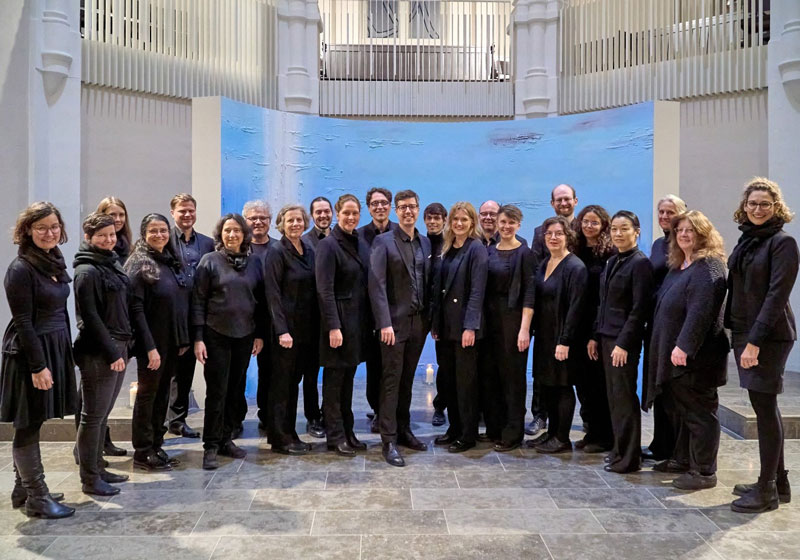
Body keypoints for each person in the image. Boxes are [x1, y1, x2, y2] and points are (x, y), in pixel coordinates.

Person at [1, 202, 76, 519]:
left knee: (36, 419)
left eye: (54, 226)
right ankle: (37, 496)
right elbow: (23, 322)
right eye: (42, 228)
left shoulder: (52, 261)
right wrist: (38, 366)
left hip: (53, 345)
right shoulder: (21, 269)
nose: (49, 233)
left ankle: (23, 488)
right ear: (27, 231)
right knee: (29, 423)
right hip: (30, 353)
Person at [727, 178, 798, 513]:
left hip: (768, 335)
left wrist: (755, 342)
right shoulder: (748, 240)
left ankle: (767, 489)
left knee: (765, 408)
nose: (757, 209)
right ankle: (778, 481)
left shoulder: (783, 243)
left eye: (765, 204)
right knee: (764, 406)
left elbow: (776, 296)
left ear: (776, 207)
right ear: (745, 206)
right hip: (745, 331)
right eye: (752, 203)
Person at [648, 210, 728, 489]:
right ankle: (683, 459)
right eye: (680, 230)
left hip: (696, 358)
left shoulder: (709, 266)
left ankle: (704, 471)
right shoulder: (679, 265)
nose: (683, 234)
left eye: (690, 230)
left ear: (703, 234)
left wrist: (684, 345)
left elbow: (702, 311)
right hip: (673, 354)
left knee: (699, 414)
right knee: (681, 412)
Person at [193, 214, 265, 469]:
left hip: (245, 335)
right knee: (217, 392)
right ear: (220, 235)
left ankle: (226, 439)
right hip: (216, 335)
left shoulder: (254, 262)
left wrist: (259, 334)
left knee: (235, 390)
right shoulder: (209, 261)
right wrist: (198, 338)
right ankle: (210, 446)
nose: (232, 235)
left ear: (244, 234)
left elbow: (260, 301)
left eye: (236, 230)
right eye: (227, 231)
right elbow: (198, 301)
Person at [370, 190, 432, 466]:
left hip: (418, 322)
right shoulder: (383, 242)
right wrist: (384, 322)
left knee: (407, 380)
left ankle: (404, 430)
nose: (408, 211)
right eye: (403, 207)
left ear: (418, 209)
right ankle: (389, 439)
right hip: (393, 325)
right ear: (396, 211)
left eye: (412, 207)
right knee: (392, 381)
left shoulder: (424, 242)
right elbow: (377, 285)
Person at [126, 213, 192, 471]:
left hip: (170, 342)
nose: (159, 235)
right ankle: (142, 452)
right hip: (151, 344)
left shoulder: (169, 260)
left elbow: (178, 302)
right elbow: (136, 310)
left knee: (162, 395)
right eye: (153, 231)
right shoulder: (138, 263)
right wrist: (150, 347)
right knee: (147, 397)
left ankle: (156, 444)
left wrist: (181, 338)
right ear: (144, 234)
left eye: (163, 230)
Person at [72, 213, 131, 496]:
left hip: (118, 345)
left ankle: (98, 467)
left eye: (112, 235)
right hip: (99, 352)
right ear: (88, 237)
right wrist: (111, 352)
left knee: (102, 414)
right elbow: (90, 318)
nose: (109, 240)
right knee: (92, 417)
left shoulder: (110, 262)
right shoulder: (87, 271)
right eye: (102, 236)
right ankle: (90, 478)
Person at [589, 211, 653, 472]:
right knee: (614, 398)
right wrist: (595, 335)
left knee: (624, 398)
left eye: (624, 228)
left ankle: (629, 458)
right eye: (614, 229)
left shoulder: (640, 264)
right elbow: (603, 302)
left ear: (636, 232)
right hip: (606, 337)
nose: (618, 233)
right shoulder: (613, 260)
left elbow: (639, 309)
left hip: (622, 341)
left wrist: (624, 344)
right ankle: (618, 449)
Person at [431, 202, 488, 453]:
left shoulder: (476, 249)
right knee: (449, 381)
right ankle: (454, 428)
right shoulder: (448, 247)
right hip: (446, 328)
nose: (459, 223)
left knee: (466, 384)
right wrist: (436, 323)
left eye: (464, 219)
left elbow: (477, 291)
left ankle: (467, 434)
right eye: (455, 219)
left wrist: (471, 327)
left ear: (472, 222)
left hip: (465, 328)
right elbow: (439, 289)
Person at [316, 195, 370, 456]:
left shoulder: (359, 242)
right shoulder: (328, 245)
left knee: (348, 382)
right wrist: (333, 327)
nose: (351, 217)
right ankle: (335, 436)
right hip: (337, 324)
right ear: (337, 214)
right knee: (334, 384)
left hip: (355, 323)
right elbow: (324, 290)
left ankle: (348, 431)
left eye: (355, 213)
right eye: (346, 213)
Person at [528, 216, 587, 454]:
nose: (553, 237)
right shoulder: (545, 263)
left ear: (568, 237)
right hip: (545, 337)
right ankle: (551, 433)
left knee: (562, 386)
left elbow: (576, 308)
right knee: (548, 386)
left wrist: (565, 341)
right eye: (549, 234)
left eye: (559, 233)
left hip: (563, 339)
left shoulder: (575, 267)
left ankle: (562, 438)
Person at [264, 205, 319, 455]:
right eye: (290, 220)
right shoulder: (277, 251)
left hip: (305, 330)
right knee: (282, 386)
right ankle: (279, 438)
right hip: (286, 332)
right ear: (281, 224)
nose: (295, 224)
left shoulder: (308, 250)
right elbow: (273, 295)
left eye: (299, 220)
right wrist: (281, 330)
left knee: (293, 384)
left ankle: (290, 432)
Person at [482, 205, 535, 452]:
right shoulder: (490, 251)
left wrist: (524, 329)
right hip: (490, 320)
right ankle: (495, 428)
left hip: (514, 321)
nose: (506, 226)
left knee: (513, 378)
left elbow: (529, 293)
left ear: (518, 225)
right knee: (492, 375)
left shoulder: (525, 253)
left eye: (511, 222)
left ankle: (513, 433)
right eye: (503, 221)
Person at [527, 184, 578, 437]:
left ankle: (562, 434)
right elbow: (536, 274)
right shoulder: (541, 237)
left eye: (567, 199)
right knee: (544, 376)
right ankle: (542, 420)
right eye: (559, 200)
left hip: (566, 321)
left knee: (563, 380)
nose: (563, 203)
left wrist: (566, 337)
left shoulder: (581, 237)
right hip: (545, 321)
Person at [643, 194, 687, 462]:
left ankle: (678, 449)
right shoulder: (659, 244)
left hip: (675, 325)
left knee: (673, 386)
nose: (664, 216)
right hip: (656, 322)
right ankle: (661, 443)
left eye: (670, 212)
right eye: (661, 212)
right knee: (659, 383)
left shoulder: (685, 243)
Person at [168, 193, 214, 439]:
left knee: (187, 372)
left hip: (201, 313)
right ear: (173, 213)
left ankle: (179, 419)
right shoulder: (164, 239)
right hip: (173, 314)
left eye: (191, 210)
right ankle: (165, 420)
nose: (187, 215)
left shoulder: (208, 243)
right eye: (182, 210)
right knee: (171, 371)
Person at [572, 205, 615, 453]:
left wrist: (594, 334)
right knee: (583, 384)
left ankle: (604, 436)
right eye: (585, 222)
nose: (589, 226)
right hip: (577, 325)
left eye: (594, 222)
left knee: (599, 385)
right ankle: (592, 432)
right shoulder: (576, 249)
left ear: (603, 226)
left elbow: (604, 297)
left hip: (595, 326)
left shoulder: (608, 253)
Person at [358, 187, 396, 431]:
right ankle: (377, 410)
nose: (380, 207)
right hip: (368, 314)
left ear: (390, 206)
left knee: (392, 368)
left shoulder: (401, 232)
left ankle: (390, 412)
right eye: (375, 203)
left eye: (384, 202)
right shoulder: (359, 236)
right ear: (369, 208)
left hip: (396, 313)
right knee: (373, 365)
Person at [424, 202, 448, 427]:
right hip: (419, 311)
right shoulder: (420, 244)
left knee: (445, 362)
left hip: (442, 312)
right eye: (429, 218)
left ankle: (440, 407)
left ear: (444, 220)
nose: (432, 222)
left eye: (437, 218)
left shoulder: (448, 245)